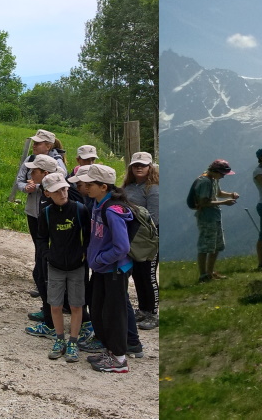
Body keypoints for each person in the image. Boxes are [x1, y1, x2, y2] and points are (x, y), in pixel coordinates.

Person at [70, 164, 134, 373]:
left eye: (90, 184)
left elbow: (122, 247)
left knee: (114, 313)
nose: (86, 186)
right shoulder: (98, 205)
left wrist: (100, 260)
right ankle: (110, 351)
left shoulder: (113, 210)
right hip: (102, 270)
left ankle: (119, 359)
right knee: (98, 309)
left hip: (114, 271)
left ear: (103, 187)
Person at [16, 129, 66, 326]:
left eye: (39, 143)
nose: (35, 145)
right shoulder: (30, 159)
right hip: (33, 212)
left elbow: (58, 184)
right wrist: (25, 187)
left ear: (49, 145)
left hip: (49, 214)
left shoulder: (56, 164)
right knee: (39, 250)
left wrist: (35, 186)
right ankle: (45, 291)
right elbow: (20, 180)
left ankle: (51, 300)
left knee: (47, 255)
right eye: (34, 142)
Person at [38, 172, 87, 362]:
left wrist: (84, 255)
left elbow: (88, 235)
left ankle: (73, 342)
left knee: (76, 304)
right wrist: (47, 255)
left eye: (64, 188)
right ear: (48, 194)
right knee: (55, 305)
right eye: (57, 190)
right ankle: (59, 339)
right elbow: (41, 237)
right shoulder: (47, 213)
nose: (63, 193)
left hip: (77, 265)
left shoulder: (80, 209)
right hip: (55, 265)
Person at [22, 155, 63, 337]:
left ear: (45, 173)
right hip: (44, 247)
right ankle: (49, 320)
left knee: (46, 279)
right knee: (39, 275)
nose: (30, 173)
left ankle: (52, 324)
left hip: (52, 251)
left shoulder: (57, 195)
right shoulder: (45, 192)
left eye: (34, 171)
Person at [122, 152, 159, 330]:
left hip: (148, 239)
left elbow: (154, 217)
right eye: (136, 165)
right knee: (138, 273)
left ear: (150, 167)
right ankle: (143, 309)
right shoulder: (128, 186)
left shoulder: (153, 188)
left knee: (149, 275)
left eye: (143, 165)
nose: (139, 167)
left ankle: (153, 312)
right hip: (133, 238)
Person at [188, 159, 237, 281]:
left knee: (216, 246)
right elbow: (204, 202)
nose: (223, 177)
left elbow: (218, 193)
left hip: (214, 216)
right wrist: (225, 202)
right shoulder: (205, 182)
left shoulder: (213, 179)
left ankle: (210, 272)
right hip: (206, 218)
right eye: (222, 174)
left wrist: (231, 195)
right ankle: (203, 275)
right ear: (215, 171)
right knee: (205, 246)